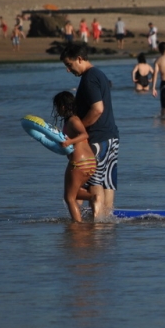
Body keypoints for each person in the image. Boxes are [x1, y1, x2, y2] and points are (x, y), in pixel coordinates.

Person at [59, 44, 119, 220]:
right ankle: (106, 221)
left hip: (98, 138)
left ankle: (97, 224)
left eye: (69, 65)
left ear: (79, 59)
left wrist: (79, 130)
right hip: (111, 136)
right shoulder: (99, 74)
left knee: (95, 181)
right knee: (108, 182)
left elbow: (97, 109)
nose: (68, 70)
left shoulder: (89, 79)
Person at [52, 91, 99, 223]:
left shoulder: (73, 120)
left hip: (79, 162)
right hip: (89, 162)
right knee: (74, 192)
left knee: (69, 198)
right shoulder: (71, 121)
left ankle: (77, 226)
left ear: (62, 106)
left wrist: (69, 142)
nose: (56, 110)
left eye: (57, 106)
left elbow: (84, 134)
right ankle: (92, 197)